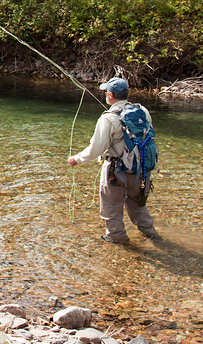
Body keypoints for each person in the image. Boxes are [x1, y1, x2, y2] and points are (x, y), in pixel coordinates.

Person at [67, 77, 161, 244]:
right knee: (137, 203)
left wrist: (77, 159)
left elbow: (96, 149)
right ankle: (150, 233)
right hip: (140, 170)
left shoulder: (108, 119)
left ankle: (117, 237)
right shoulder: (143, 111)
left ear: (110, 95)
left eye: (105, 92)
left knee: (111, 206)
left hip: (116, 172)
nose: (104, 95)